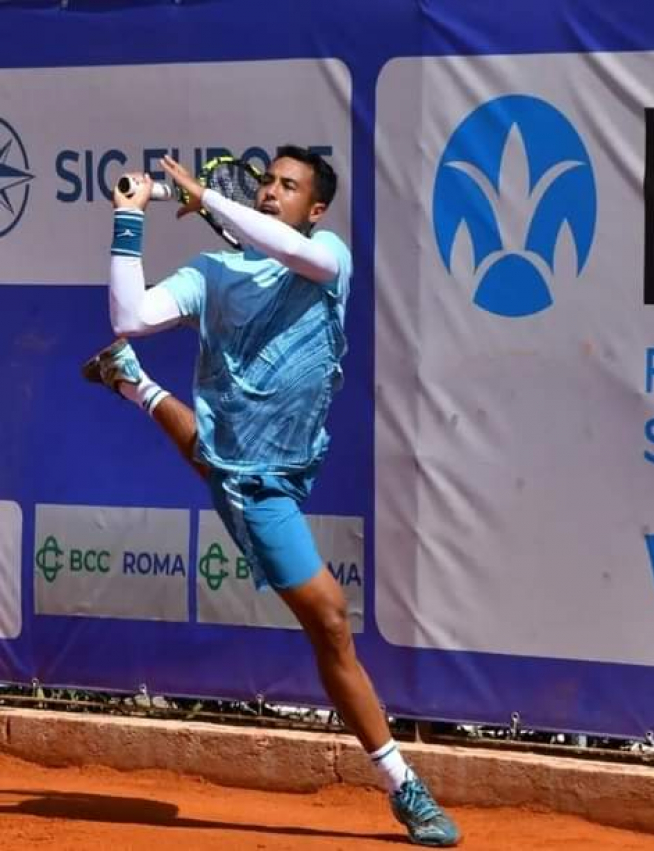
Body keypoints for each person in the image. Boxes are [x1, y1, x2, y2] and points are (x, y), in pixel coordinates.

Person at [82, 146, 460, 848]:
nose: (269, 193)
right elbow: (130, 311)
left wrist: (200, 197)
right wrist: (130, 217)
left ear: (315, 210)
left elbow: (285, 248)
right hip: (259, 478)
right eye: (265, 182)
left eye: (288, 186)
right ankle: (404, 785)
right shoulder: (212, 272)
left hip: (289, 461)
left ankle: (133, 383)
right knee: (330, 617)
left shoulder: (328, 259)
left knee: (220, 465)